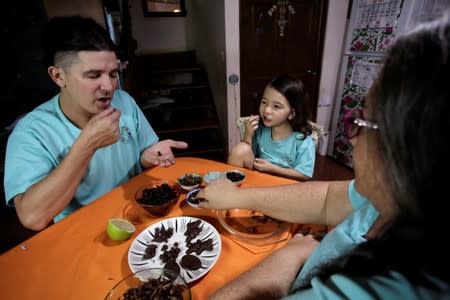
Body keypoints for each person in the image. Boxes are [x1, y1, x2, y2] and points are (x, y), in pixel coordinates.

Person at [197, 14, 450, 299]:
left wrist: (291, 255)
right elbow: (330, 197)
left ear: (409, 150)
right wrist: (237, 197)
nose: (351, 138)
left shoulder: (376, 288)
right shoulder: (397, 195)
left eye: (361, 120)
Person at [3, 16, 188, 231]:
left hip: (138, 217)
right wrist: (87, 145)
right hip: (85, 232)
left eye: (112, 74)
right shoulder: (31, 132)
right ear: (58, 76)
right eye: (94, 75)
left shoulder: (124, 102)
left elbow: (145, 153)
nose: (109, 86)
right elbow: (32, 217)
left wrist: (148, 157)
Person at [228, 74, 316, 181]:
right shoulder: (261, 130)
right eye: (264, 102)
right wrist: (248, 135)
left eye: (276, 106)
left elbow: (304, 175)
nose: (266, 110)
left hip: (285, 188)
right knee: (240, 149)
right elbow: (247, 156)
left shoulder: (303, 141)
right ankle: (231, 190)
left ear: (291, 113)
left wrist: (273, 169)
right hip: (259, 179)